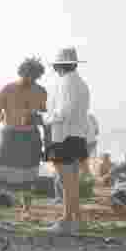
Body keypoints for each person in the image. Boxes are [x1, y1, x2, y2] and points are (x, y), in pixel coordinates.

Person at [0, 57, 48, 218]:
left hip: (31, 136)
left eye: (34, 77)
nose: (30, 80)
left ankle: (26, 211)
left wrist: (46, 137)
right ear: (21, 72)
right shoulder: (7, 89)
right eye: (28, 76)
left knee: (29, 174)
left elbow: (46, 117)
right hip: (9, 135)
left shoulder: (41, 91)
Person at [44, 47, 91, 233]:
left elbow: (64, 111)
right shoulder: (82, 84)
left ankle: (67, 220)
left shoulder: (66, 82)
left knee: (67, 182)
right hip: (78, 135)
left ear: (59, 66)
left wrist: (45, 119)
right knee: (71, 182)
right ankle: (76, 219)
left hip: (63, 136)